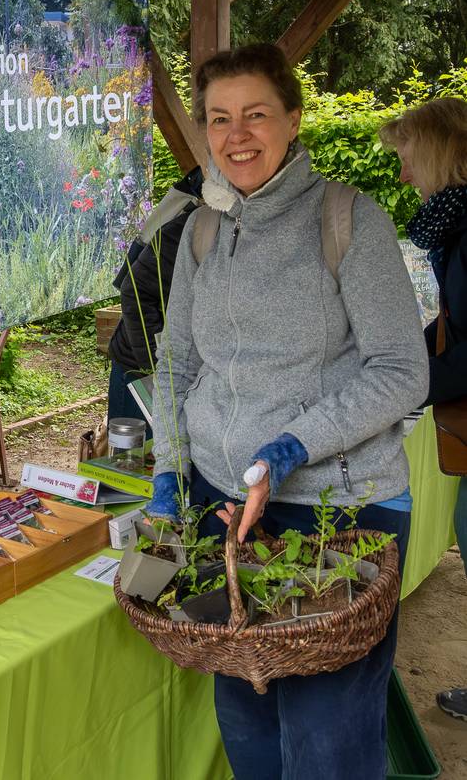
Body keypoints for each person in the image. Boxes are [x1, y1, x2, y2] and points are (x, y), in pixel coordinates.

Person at [146, 43, 428, 780]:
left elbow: (402, 370)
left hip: (338, 513)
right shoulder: (203, 229)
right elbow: (177, 363)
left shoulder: (348, 218)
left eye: (256, 114)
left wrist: (293, 446)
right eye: (219, 118)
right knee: (247, 715)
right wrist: (169, 468)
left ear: (294, 119)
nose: (236, 135)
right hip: (223, 511)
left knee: (327, 737)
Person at [380, 98, 467, 720]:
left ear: (439, 154)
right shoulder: (456, 228)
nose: (405, 174)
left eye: (408, 158)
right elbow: (456, 324)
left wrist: (404, 383)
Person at [106, 166, 202, 432]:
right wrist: (155, 365)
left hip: (177, 371)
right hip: (139, 369)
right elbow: (133, 291)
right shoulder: (191, 228)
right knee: (131, 454)